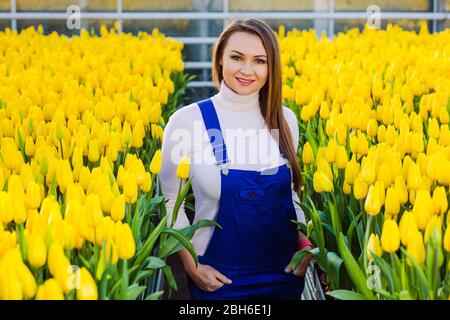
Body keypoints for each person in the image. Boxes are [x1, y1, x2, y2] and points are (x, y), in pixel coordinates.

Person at [159, 18, 314, 300]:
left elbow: (291, 193)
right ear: (219, 59)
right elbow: (170, 201)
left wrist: (304, 242)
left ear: (271, 67)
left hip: (284, 276)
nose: (246, 70)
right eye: (236, 57)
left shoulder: (285, 119)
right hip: (219, 279)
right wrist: (191, 266)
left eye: (259, 61)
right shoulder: (186, 122)